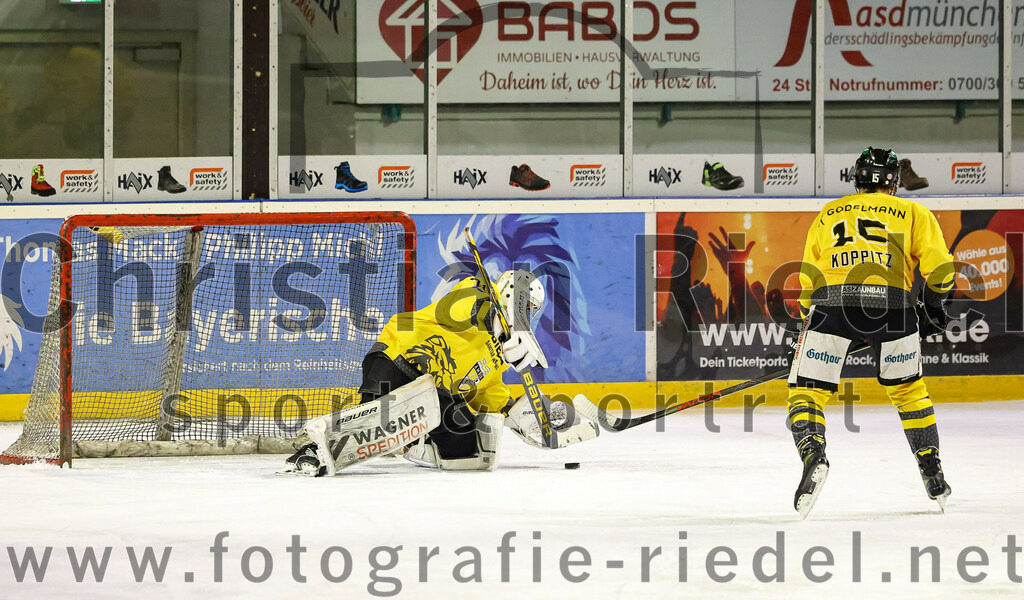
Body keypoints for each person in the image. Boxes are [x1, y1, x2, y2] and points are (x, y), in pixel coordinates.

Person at [282, 268, 598, 476]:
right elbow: (453, 310)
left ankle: (416, 442)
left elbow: (489, 393)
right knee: (379, 418)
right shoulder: (475, 292)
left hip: (434, 393)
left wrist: (531, 415)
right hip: (399, 354)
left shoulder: (505, 352)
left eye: (532, 309)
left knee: (472, 453)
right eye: (525, 304)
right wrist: (498, 326)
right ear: (507, 293)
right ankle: (314, 450)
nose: (527, 313)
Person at [786, 147, 955, 517]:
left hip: (831, 303)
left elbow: (807, 278)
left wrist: (806, 330)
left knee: (806, 391)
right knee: (909, 392)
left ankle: (814, 453)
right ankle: (932, 470)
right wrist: (935, 307)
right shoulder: (913, 212)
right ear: (893, 181)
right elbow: (941, 268)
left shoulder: (830, 212)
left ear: (857, 179)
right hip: (894, 308)